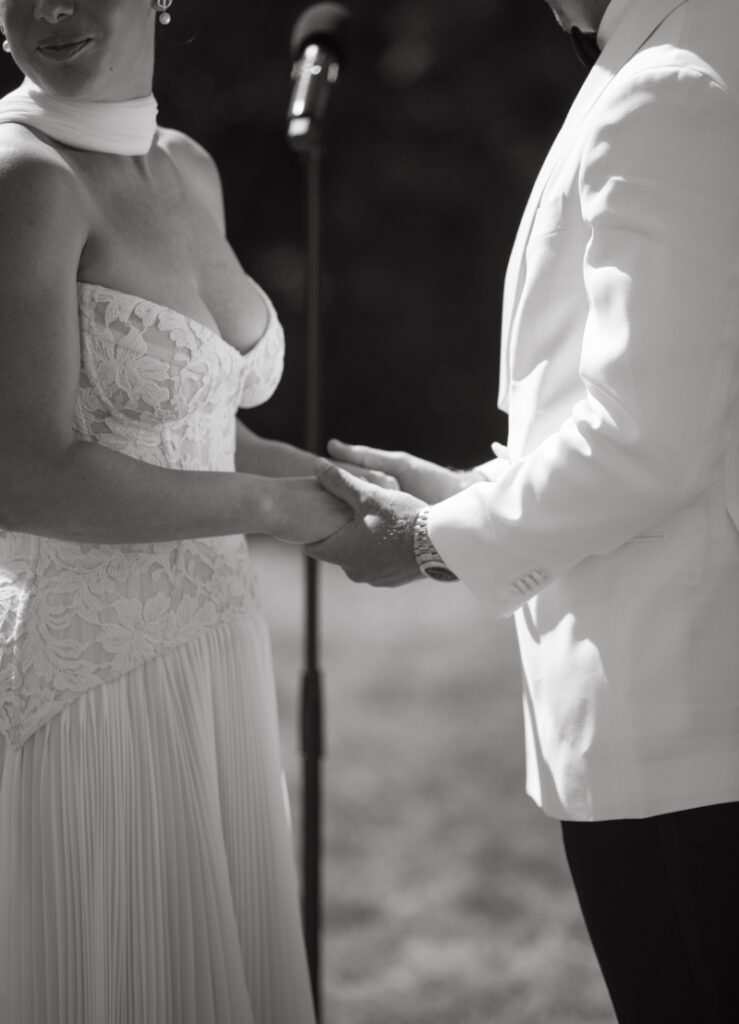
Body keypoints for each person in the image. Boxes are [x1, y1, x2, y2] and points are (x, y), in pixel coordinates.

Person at [307, 0, 739, 1020]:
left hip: (681, 705)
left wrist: (432, 539)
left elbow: (648, 439)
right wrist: (476, 495)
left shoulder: (670, 84)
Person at [0, 0, 403, 1020]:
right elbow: (29, 472)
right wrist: (282, 509)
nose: (49, 10)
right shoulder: (23, 181)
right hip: (88, 679)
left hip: (212, 647)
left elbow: (194, 424)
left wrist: (342, 488)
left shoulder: (187, 165)